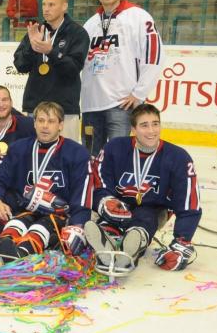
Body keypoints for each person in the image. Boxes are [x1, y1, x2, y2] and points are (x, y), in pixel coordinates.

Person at [85, 104, 201, 275]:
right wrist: (105, 201)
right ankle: (108, 238)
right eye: (144, 125)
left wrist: (182, 241)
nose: (151, 130)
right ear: (133, 129)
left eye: (155, 124)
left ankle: (133, 245)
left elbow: (189, 202)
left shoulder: (178, 157)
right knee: (110, 218)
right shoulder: (114, 148)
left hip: (154, 209)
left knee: (143, 220)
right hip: (119, 205)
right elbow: (97, 180)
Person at [0, 101, 93, 261]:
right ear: (34, 123)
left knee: (40, 228)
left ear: (61, 125)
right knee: (16, 224)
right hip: (24, 209)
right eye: (40, 120)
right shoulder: (18, 148)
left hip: (58, 215)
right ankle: (0, 247)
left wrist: (77, 224)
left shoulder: (77, 153)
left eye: (51, 121)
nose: (45, 126)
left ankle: (19, 254)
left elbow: (82, 195)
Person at [80, 0, 163, 156]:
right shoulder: (90, 24)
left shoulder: (139, 17)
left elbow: (155, 56)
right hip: (91, 105)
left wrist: (139, 93)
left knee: (118, 157)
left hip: (121, 103)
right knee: (90, 157)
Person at [14, 0, 89, 142]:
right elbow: (20, 65)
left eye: (52, 5)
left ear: (64, 6)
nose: (46, 9)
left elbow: (73, 68)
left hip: (64, 110)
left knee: (67, 157)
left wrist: (51, 51)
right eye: (44, 4)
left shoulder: (77, 33)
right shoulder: (36, 30)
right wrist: (31, 47)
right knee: (33, 157)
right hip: (35, 107)